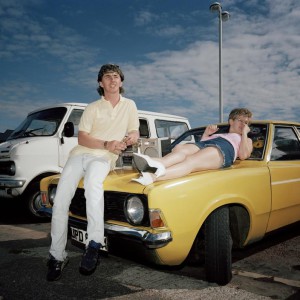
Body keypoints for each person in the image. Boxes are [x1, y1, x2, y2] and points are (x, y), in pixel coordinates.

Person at [47, 64, 140, 281]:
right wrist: (107, 142)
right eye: (107, 77)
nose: (112, 80)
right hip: (80, 154)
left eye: (116, 76)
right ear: (101, 83)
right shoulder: (92, 107)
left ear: (121, 81)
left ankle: (94, 244)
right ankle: (57, 256)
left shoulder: (130, 106)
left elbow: (134, 130)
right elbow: (82, 138)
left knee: (92, 187)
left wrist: (131, 137)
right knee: (60, 200)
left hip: (103, 158)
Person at [132, 108, 253, 185]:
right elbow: (201, 145)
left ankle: (154, 177)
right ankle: (154, 163)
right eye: (240, 121)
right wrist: (206, 134)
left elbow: (243, 155)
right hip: (209, 144)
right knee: (180, 149)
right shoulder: (220, 133)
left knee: (191, 161)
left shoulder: (246, 139)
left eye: (246, 123)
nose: (243, 124)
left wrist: (244, 133)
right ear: (231, 121)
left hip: (225, 148)